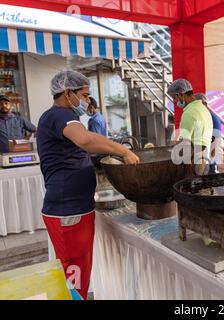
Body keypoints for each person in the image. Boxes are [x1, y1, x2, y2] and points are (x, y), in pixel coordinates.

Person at [36, 69, 140, 299]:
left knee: (79, 272)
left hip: (74, 208)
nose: (86, 101)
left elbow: (74, 151)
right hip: (67, 211)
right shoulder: (60, 115)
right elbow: (85, 140)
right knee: (74, 276)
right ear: (67, 92)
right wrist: (122, 150)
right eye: (83, 95)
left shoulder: (59, 117)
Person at [168, 79, 213, 172]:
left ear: (181, 94)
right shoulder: (203, 109)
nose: (174, 102)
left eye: (174, 98)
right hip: (205, 162)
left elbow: (184, 144)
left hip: (195, 164)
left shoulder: (189, 113)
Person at [194, 93, 222, 173]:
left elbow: (213, 151)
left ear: (204, 104)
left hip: (209, 166)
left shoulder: (213, 120)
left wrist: (200, 173)